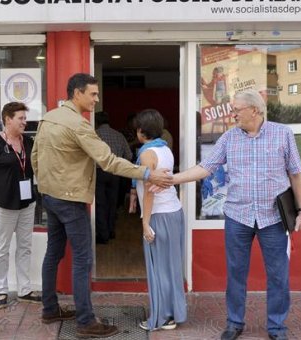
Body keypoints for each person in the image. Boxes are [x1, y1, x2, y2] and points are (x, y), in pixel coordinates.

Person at [31, 73, 173, 339]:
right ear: (77, 94)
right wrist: (146, 173)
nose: (96, 99)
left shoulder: (48, 117)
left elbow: (35, 156)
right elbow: (108, 161)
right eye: (93, 94)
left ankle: (49, 309)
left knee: (53, 253)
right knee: (83, 259)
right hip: (71, 199)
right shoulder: (79, 125)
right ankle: (86, 322)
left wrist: (46, 186)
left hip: (50, 195)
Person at [169, 89, 301, 340]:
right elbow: (205, 167)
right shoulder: (229, 138)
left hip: (273, 218)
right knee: (236, 273)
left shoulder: (282, 134)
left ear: (254, 110)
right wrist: (173, 179)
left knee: (278, 275)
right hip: (238, 216)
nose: (233, 115)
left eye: (236, 110)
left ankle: (276, 327)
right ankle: (234, 322)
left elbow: (295, 175)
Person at [0, 102, 42, 307]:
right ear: (8, 119)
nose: (25, 121)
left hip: (27, 203)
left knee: (25, 246)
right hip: (4, 205)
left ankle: (24, 290)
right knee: (1, 248)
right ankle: (1, 290)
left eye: (25, 118)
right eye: (21, 118)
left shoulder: (29, 142)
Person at [128, 109, 187, 332]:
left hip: (159, 215)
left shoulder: (146, 154)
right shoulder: (165, 149)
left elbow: (150, 191)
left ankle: (162, 317)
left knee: (158, 267)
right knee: (171, 266)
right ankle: (174, 313)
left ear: (141, 131)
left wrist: (145, 223)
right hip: (174, 211)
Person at [94, 110, 132, 244]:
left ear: (96, 122)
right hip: (115, 173)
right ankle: (111, 231)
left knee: (100, 204)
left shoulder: (94, 135)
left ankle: (103, 234)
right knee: (112, 203)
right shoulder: (119, 135)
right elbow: (129, 156)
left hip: (99, 172)